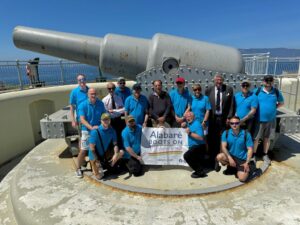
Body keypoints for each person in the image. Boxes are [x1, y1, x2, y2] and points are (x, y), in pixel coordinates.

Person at [205, 73, 234, 170]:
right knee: (213, 139)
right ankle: (213, 160)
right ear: (214, 80)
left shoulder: (228, 89)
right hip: (212, 119)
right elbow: (206, 104)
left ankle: (221, 159)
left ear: (223, 80)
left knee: (223, 139)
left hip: (223, 119)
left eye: (220, 80)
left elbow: (231, 105)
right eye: (217, 80)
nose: (219, 81)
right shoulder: (209, 90)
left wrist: (229, 117)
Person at [253, 75, 284, 165]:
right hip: (259, 120)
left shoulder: (276, 92)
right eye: (267, 80)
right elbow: (251, 100)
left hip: (271, 120)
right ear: (263, 81)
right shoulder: (258, 91)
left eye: (270, 80)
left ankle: (264, 154)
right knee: (256, 138)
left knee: (267, 138)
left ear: (273, 82)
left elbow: (281, 103)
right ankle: (254, 155)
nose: (268, 82)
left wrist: (274, 108)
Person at [76, 88, 106, 178]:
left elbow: (103, 116)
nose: (93, 95)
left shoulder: (100, 104)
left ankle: (97, 165)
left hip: (97, 130)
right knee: (83, 150)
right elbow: (82, 119)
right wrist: (91, 128)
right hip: (87, 130)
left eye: (94, 93)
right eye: (91, 94)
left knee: (98, 149)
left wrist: (101, 127)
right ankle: (78, 168)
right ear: (88, 95)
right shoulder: (83, 105)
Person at [216, 116, 253, 182]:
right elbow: (223, 147)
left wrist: (247, 162)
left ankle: (247, 168)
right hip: (232, 156)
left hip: (242, 159)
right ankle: (234, 167)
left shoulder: (246, 134)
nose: (234, 125)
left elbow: (250, 149)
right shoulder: (226, 133)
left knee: (242, 179)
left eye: (236, 123)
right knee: (219, 157)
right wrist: (229, 158)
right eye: (232, 123)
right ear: (229, 124)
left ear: (240, 123)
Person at [89, 113, 124, 180]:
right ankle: (98, 167)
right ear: (101, 121)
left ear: (110, 120)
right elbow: (92, 149)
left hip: (104, 154)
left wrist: (116, 154)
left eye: (107, 119)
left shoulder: (112, 130)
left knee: (121, 152)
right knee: (99, 177)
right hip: (94, 156)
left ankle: (109, 165)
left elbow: (115, 144)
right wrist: (97, 161)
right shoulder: (95, 131)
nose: (106, 121)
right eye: (104, 120)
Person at [182, 112, 207, 178]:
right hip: (193, 147)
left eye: (190, 116)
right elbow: (185, 126)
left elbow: (201, 137)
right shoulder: (189, 123)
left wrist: (190, 133)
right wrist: (183, 125)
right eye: (187, 117)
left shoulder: (197, 124)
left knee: (186, 156)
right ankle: (200, 168)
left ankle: (200, 172)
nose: (188, 118)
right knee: (190, 156)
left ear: (194, 117)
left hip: (199, 146)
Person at [102, 82, 126, 149]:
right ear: (107, 89)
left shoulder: (119, 98)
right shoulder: (104, 100)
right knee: (111, 136)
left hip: (118, 119)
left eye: (113, 88)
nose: (111, 90)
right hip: (110, 121)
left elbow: (123, 110)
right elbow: (106, 112)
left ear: (115, 88)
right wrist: (117, 110)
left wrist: (113, 111)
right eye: (109, 89)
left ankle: (121, 150)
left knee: (120, 135)